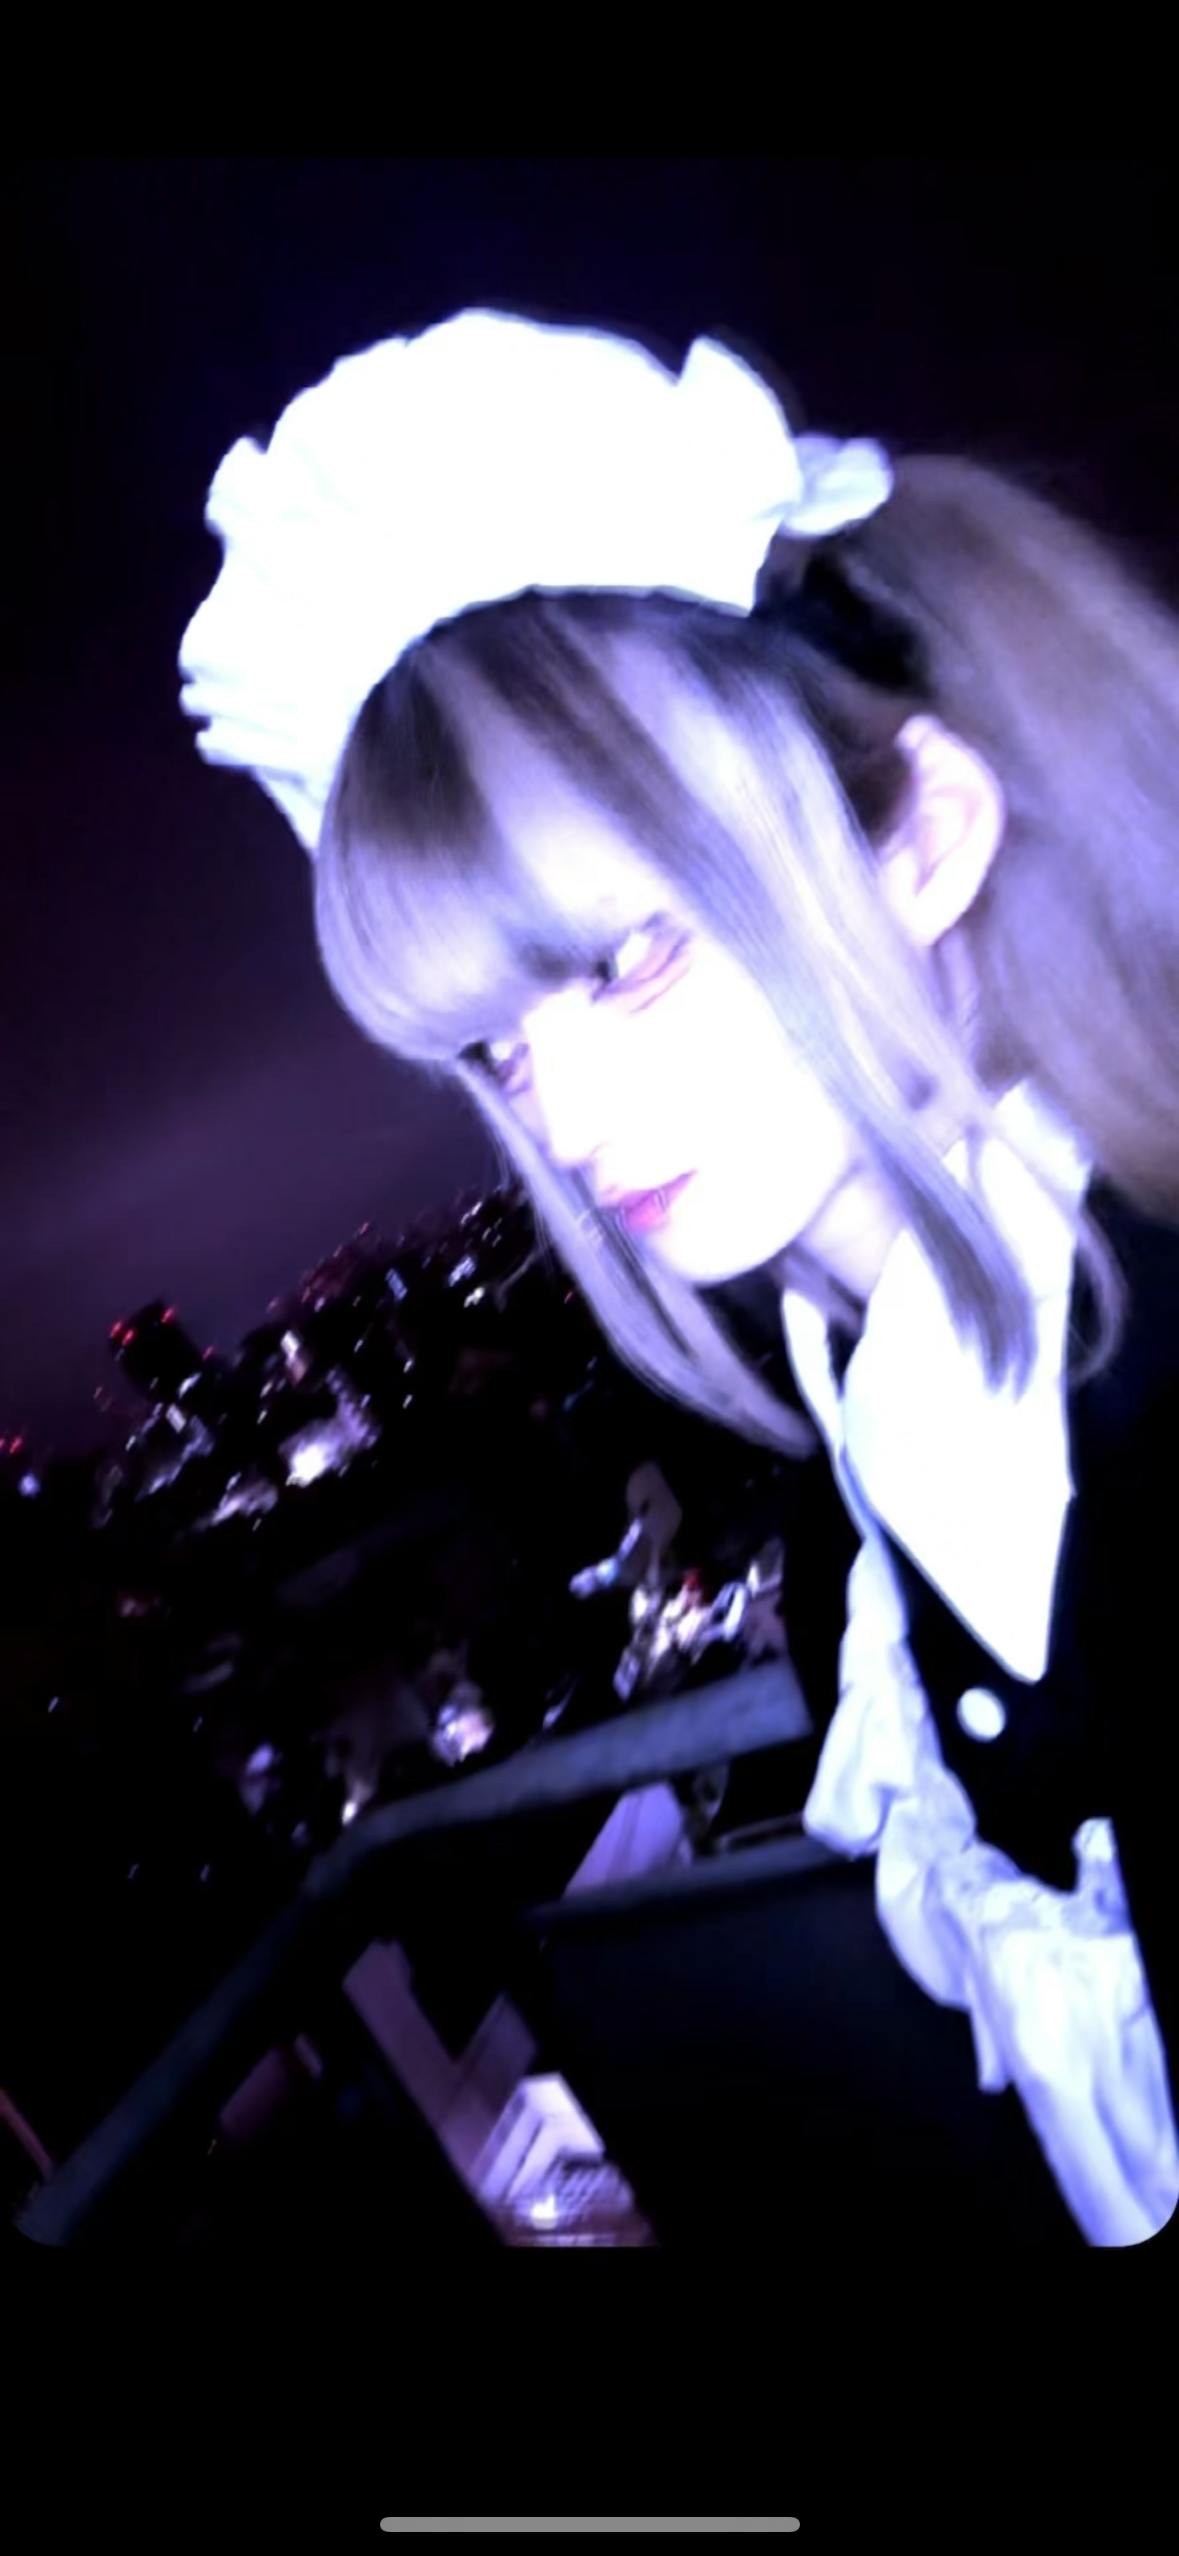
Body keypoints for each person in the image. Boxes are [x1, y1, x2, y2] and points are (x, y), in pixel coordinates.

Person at [180, 308, 1179, 2245]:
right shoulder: (849, 1346)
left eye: (624, 958)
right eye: (498, 1045)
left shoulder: (1131, 1412)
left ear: (924, 836)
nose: (560, 1114)